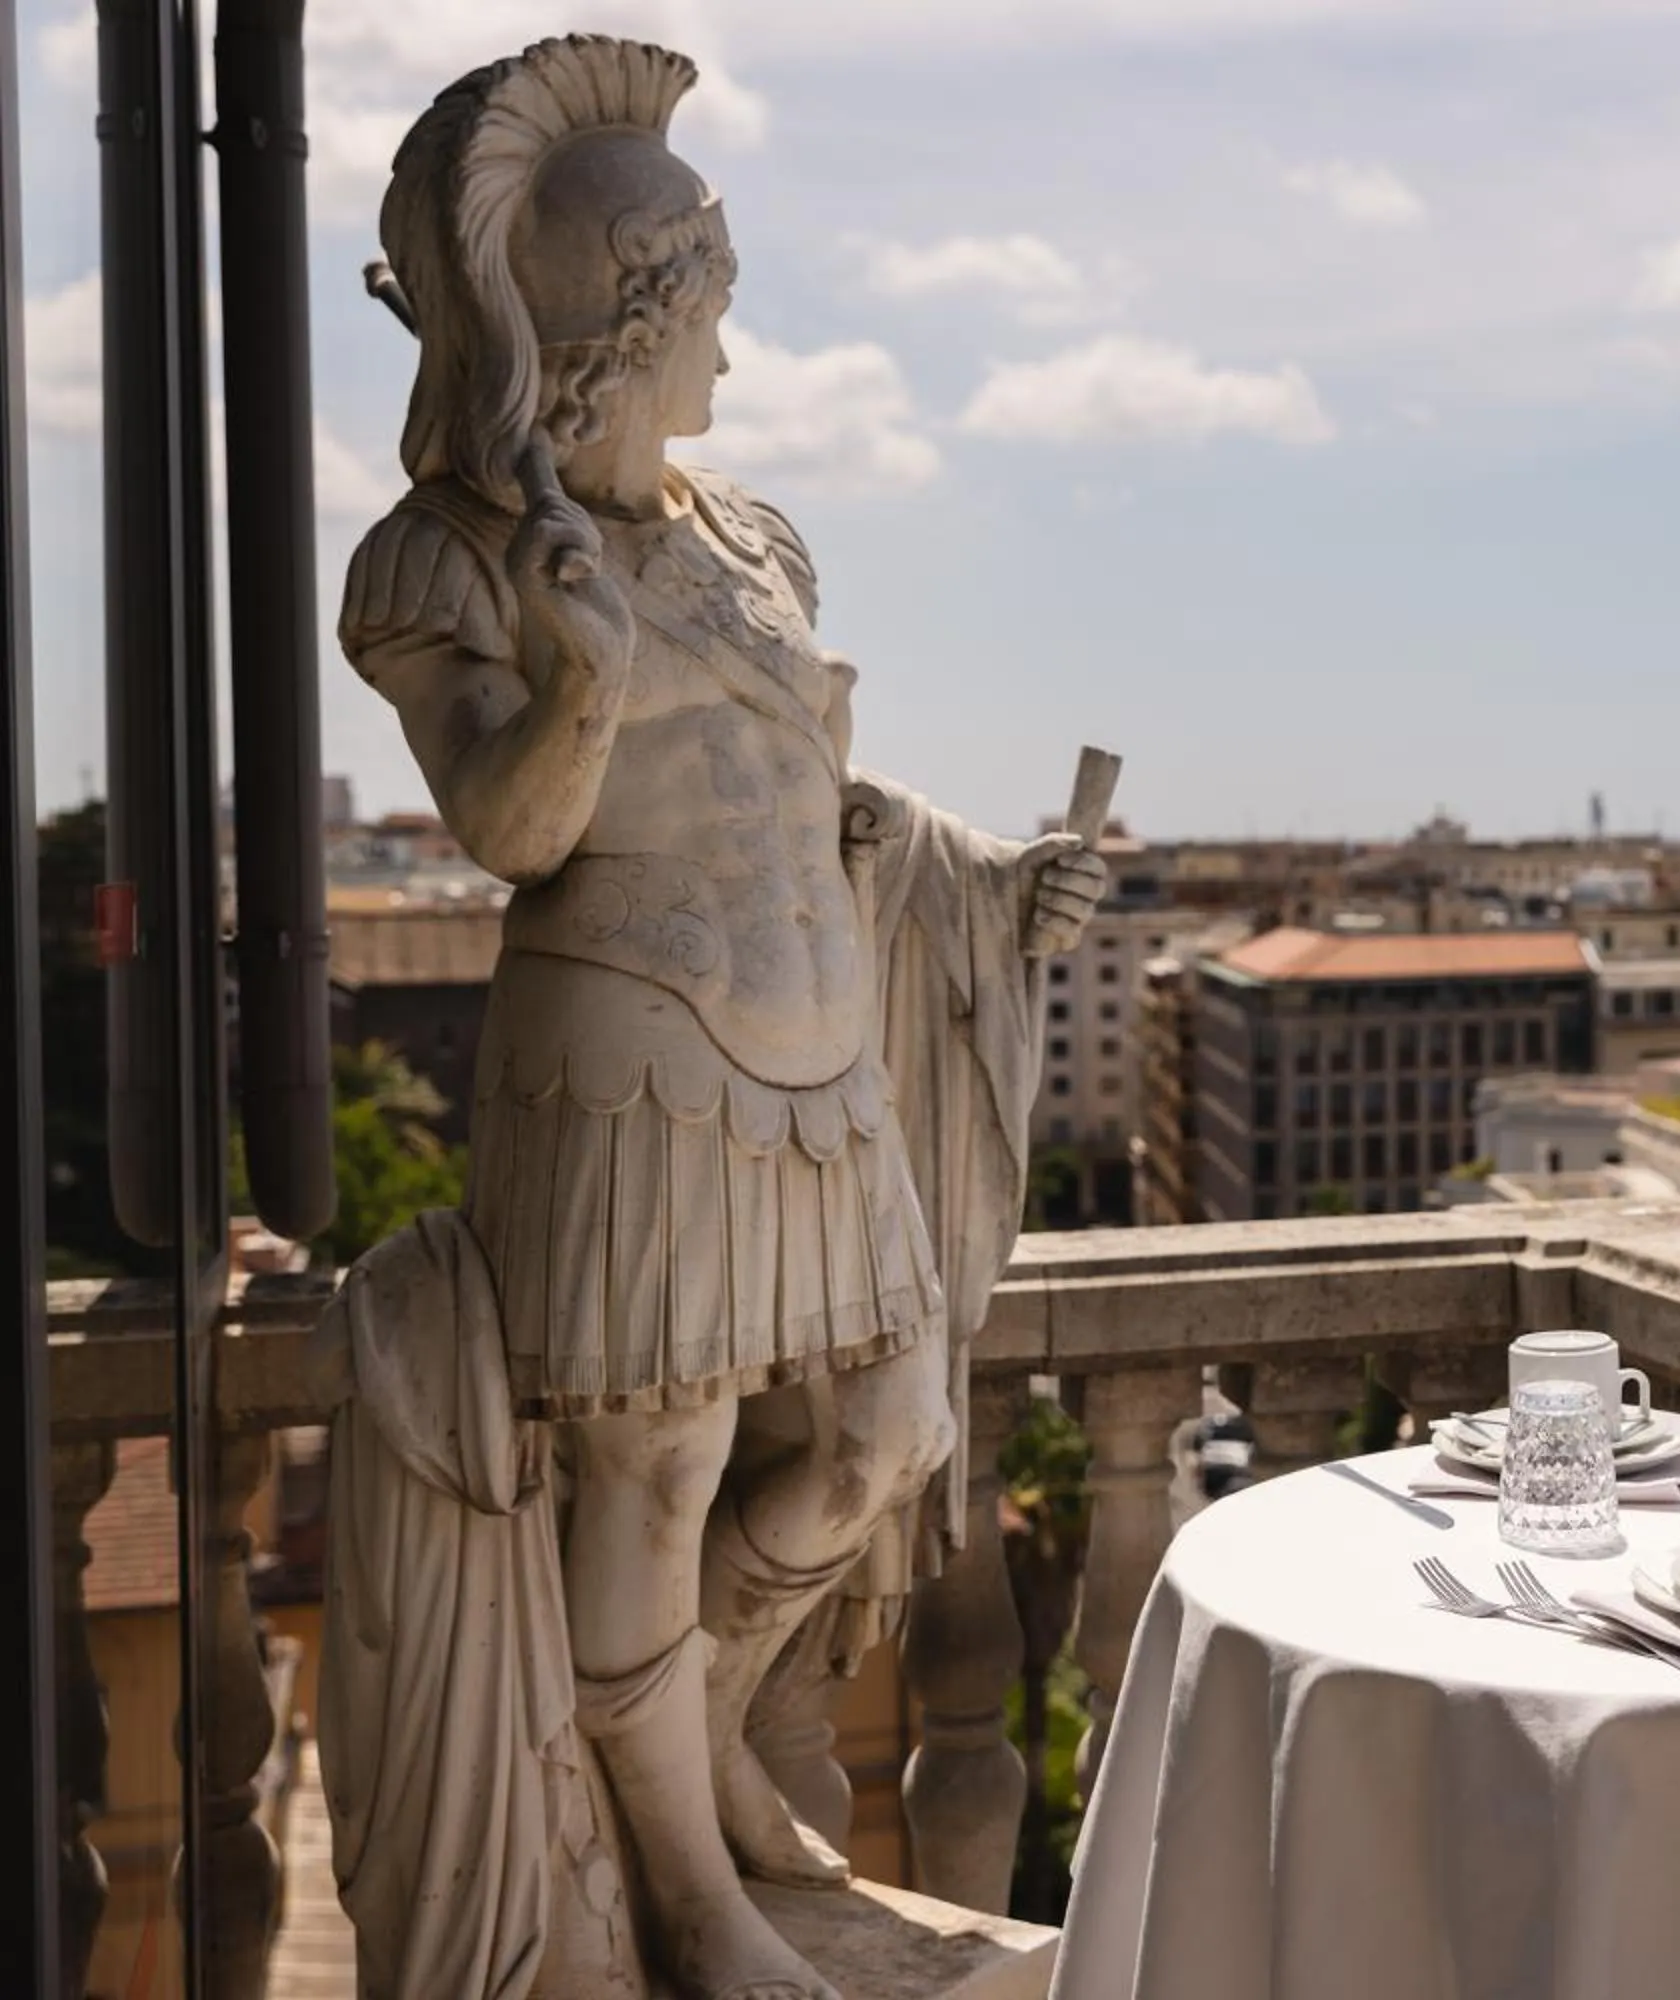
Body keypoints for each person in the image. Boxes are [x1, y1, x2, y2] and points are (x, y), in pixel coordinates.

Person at [334, 35, 1105, 1997]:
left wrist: (1000, 885)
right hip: (629, 1077)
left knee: (891, 1436)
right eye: (709, 320)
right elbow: (512, 831)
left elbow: (825, 805)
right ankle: (688, 1890)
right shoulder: (453, 562)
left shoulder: (752, 535)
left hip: (822, 1071)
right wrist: (580, 684)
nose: (731, 369)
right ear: (617, 322)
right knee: (653, 1476)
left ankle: (689, 1742)